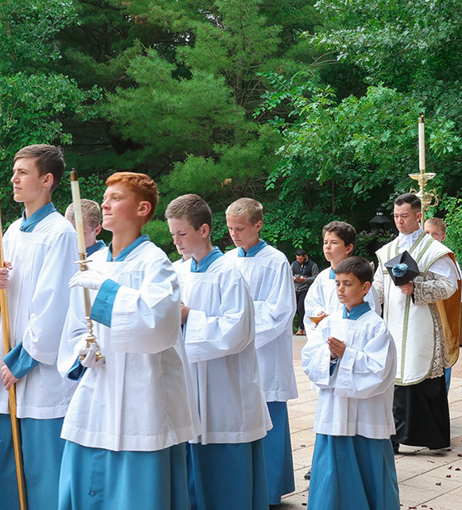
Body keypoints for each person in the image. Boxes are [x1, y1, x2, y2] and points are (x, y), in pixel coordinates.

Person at [57, 172, 197, 510]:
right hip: (98, 393)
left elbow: (158, 324)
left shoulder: (156, 264)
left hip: (142, 393)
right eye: (105, 197)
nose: (105, 203)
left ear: (142, 208)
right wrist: (83, 350)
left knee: (137, 493)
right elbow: (76, 325)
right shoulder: (93, 263)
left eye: (116, 198)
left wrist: (105, 290)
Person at [0, 145, 78, 510]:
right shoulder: (11, 230)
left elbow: (55, 308)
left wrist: (21, 362)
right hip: (2, 362)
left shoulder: (60, 234)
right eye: (13, 172)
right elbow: (2, 305)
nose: (13, 179)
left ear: (47, 179)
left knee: (39, 471)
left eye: (22, 172)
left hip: (32, 370)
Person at [166, 194, 269, 510]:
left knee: (227, 482)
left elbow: (235, 332)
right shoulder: (178, 272)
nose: (177, 241)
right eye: (173, 235)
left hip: (225, 392)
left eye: (182, 234)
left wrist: (188, 317)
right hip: (189, 385)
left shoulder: (228, 273)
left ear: (204, 230)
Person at [301, 256, 399, 510]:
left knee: (369, 468)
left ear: (366, 288)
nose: (341, 290)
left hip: (367, 417)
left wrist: (347, 354)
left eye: (348, 284)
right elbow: (310, 358)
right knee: (331, 470)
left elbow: (379, 372)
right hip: (334, 412)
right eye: (338, 284)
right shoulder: (330, 322)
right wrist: (330, 357)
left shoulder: (377, 327)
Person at [224, 198, 297, 505]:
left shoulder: (276, 260)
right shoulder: (226, 260)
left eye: (240, 228)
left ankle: (268, 492)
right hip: (233, 353)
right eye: (229, 228)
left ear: (258, 225)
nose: (234, 234)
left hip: (264, 355)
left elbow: (280, 312)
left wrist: (242, 328)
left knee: (270, 423)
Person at [373, 193, 459, 452]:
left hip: (422, 321)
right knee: (393, 375)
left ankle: (431, 437)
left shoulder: (434, 250)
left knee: (419, 372)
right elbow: (378, 284)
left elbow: (449, 285)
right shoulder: (387, 250)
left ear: (418, 216)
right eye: (396, 216)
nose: (399, 221)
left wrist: (417, 288)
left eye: (405, 216)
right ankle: (393, 436)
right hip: (393, 322)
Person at [303, 221, 378, 336]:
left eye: (333, 242)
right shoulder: (322, 278)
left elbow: (371, 312)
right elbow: (311, 305)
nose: (327, 247)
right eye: (325, 242)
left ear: (348, 248)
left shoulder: (360, 278)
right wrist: (320, 314)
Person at [424, 217, 462, 390]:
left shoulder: (447, 260)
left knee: (441, 357)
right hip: (421, 319)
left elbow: (457, 295)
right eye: (426, 233)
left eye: (435, 234)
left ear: (443, 237)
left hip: (441, 316)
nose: (430, 237)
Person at [291, 249, 319, 335]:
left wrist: (305, 279)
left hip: (306, 289)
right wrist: (294, 278)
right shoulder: (294, 264)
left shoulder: (312, 265)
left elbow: (316, 277)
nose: (299, 260)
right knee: (293, 308)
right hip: (295, 289)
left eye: (301, 259)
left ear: (305, 257)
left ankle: (302, 327)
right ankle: (295, 327)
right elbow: (289, 274)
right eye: (298, 259)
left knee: (301, 307)